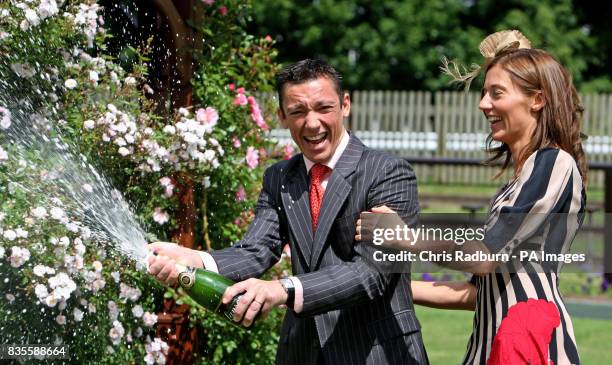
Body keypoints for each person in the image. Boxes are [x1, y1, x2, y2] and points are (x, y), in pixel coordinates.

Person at [147, 59, 429, 364]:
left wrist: (283, 290)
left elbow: (370, 274)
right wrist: (195, 259)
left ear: (345, 104)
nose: (311, 123)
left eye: (324, 108)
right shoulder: (278, 177)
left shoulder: (388, 173)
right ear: (282, 116)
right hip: (301, 354)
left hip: (376, 354)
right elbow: (257, 250)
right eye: (297, 112)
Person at [357, 30, 586, 365]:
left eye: (496, 93)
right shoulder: (522, 179)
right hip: (493, 344)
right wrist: (376, 284)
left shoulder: (553, 163)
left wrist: (400, 237)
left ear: (537, 99)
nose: (483, 104)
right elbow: (477, 292)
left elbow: (481, 258)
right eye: (484, 94)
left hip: (529, 344)